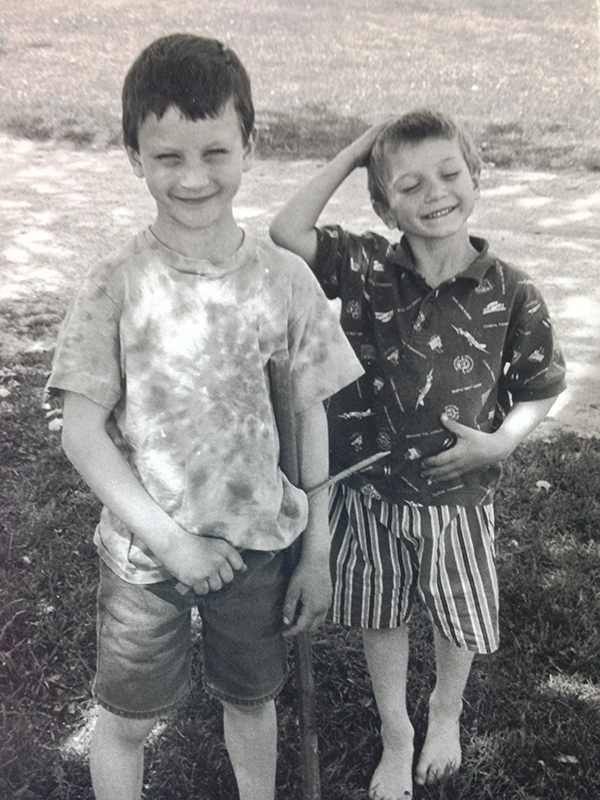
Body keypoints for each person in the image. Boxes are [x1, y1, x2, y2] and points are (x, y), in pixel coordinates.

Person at [46, 33, 363, 800]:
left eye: (215, 152)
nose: (193, 178)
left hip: (259, 547)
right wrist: (172, 542)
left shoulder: (286, 280)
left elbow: (311, 420)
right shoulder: (115, 283)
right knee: (125, 720)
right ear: (134, 157)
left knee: (252, 702)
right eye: (168, 157)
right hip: (145, 556)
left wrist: (316, 551)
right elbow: (82, 432)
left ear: (250, 144)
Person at [269, 108, 566, 799]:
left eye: (449, 173)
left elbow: (542, 387)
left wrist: (501, 442)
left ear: (475, 178)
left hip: (457, 495)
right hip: (370, 490)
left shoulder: (512, 289)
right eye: (409, 185)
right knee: (382, 615)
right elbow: (287, 231)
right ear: (384, 206)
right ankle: (396, 730)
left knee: (454, 614)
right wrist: (360, 150)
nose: (435, 193)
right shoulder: (367, 266)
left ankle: (445, 712)